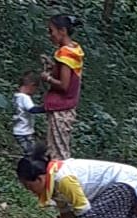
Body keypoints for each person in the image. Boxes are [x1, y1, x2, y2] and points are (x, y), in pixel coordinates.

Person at [41, 15, 85, 160]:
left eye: (51, 31)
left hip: (61, 109)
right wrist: (53, 66)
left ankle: (61, 174)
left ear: (62, 31)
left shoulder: (65, 54)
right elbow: (68, 73)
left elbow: (64, 85)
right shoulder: (74, 49)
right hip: (68, 107)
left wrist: (47, 78)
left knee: (58, 154)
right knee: (58, 149)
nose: (50, 35)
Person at [13, 72, 41, 156]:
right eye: (35, 89)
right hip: (24, 132)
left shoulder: (16, 96)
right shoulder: (25, 97)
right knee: (32, 153)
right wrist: (47, 108)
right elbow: (32, 109)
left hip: (18, 130)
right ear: (31, 85)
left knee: (29, 151)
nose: (35, 91)